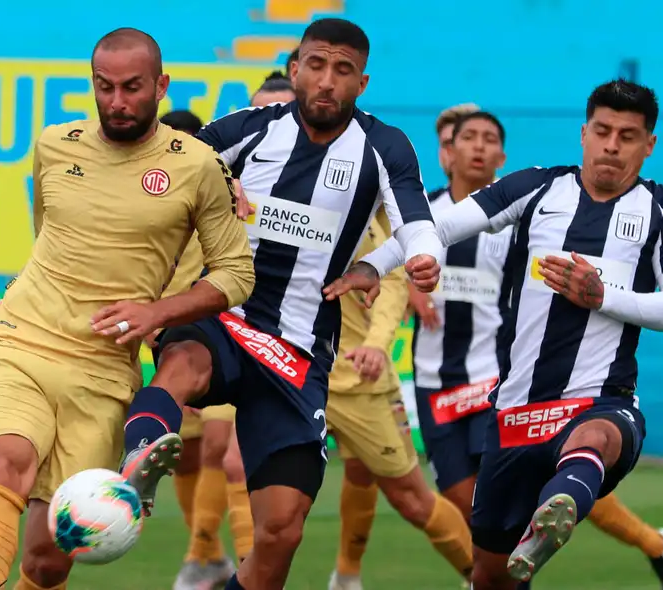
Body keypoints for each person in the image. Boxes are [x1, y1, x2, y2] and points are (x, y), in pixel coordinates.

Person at [117, 18, 443, 590]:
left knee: (281, 532)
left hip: (299, 351)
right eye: (315, 65)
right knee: (183, 366)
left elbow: (416, 217)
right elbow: (164, 166)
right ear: (295, 69)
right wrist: (216, 171)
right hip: (226, 315)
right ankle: (137, 465)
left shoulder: (382, 145)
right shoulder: (253, 129)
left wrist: (409, 258)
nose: (326, 81)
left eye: (342, 70)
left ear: (361, 83)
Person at [0, 28, 256, 590]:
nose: (117, 101)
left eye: (132, 88)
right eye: (105, 87)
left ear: (161, 86)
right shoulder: (54, 144)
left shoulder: (198, 165)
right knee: (3, 463)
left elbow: (236, 274)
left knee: (49, 556)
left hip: (103, 368)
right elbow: (46, 231)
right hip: (23, 337)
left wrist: (158, 313)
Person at [426, 79, 663, 588]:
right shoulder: (536, 188)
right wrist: (393, 265)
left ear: (649, 145)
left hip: (598, 399)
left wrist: (604, 297)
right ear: (584, 133)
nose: (612, 145)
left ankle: (564, 507)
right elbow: (439, 226)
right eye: (602, 131)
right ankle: (545, 523)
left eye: (628, 135)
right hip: (514, 410)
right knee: (489, 576)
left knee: (596, 436)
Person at [171, 75, 303, 590]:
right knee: (189, 452)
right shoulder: (215, 180)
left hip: (273, 336)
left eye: (282, 113)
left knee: (230, 456)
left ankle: (234, 562)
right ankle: (204, 552)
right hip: (196, 326)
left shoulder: (325, 185)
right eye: (260, 114)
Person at [327, 210, 473, 590]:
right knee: (238, 468)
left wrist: (377, 345)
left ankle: (487, 578)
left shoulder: (371, 189)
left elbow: (391, 279)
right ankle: (206, 560)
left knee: (410, 498)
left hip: (356, 376)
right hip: (285, 364)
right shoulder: (263, 174)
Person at [156, 109, 241, 589]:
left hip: (223, 334)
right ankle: (209, 557)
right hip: (167, 340)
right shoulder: (148, 204)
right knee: (186, 455)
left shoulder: (228, 194)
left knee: (220, 448)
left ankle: (200, 557)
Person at [430, 103, 481, 194]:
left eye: (465, 140)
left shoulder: (511, 202)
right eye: (448, 143)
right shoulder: (427, 206)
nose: (454, 151)